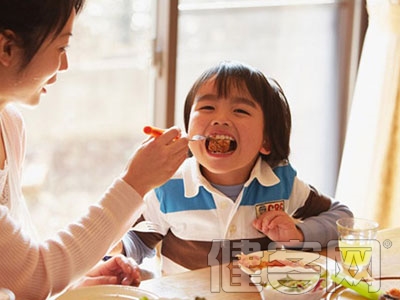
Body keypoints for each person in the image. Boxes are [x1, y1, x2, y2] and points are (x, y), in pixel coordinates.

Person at [0, 0, 188, 299]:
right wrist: (134, 184)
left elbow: (17, 270)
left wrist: (74, 281)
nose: (64, 65)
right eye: (61, 48)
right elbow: (33, 278)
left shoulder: (9, 124)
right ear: (6, 48)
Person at [116, 61, 353, 275]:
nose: (220, 119)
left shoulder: (281, 183)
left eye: (240, 110)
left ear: (266, 141)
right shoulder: (169, 186)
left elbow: (342, 217)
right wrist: (118, 258)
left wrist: (298, 234)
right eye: (207, 107)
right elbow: (135, 243)